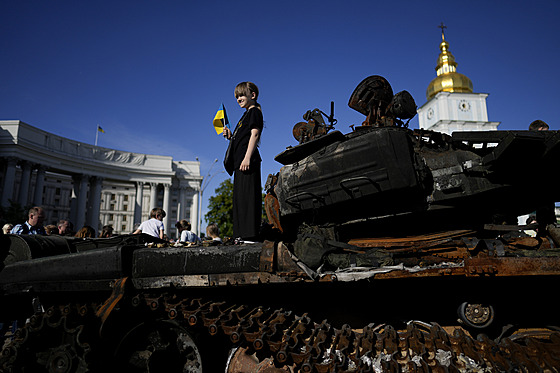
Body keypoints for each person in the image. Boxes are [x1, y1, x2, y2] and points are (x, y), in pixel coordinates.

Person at [222, 81, 263, 241]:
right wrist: (232, 136)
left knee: (248, 198)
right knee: (240, 199)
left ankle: (250, 235)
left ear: (252, 95)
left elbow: (255, 134)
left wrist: (247, 158)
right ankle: (240, 234)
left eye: (242, 95)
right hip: (240, 163)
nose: (238, 99)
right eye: (237, 97)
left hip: (248, 162)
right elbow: (244, 137)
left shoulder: (254, 112)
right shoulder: (244, 115)